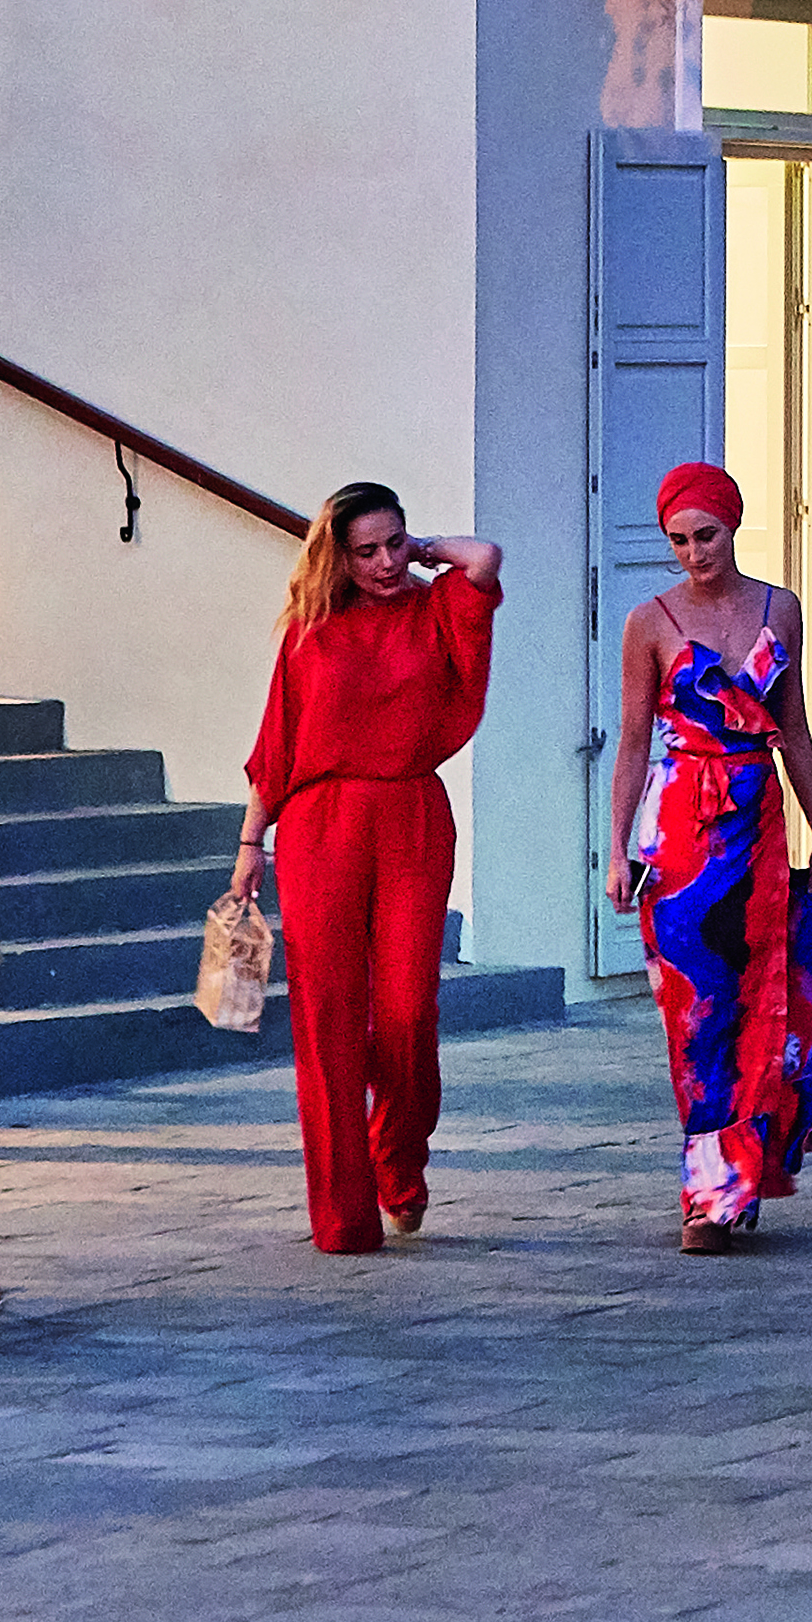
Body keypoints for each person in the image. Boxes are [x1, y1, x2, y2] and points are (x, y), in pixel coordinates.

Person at [231, 483, 500, 1256]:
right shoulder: (309, 629)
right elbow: (277, 744)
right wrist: (250, 845)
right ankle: (344, 1214)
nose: (385, 562)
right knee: (328, 1021)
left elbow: (484, 559)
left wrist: (426, 552)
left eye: (394, 543)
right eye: (366, 551)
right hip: (319, 828)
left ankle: (398, 1157)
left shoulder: (437, 608)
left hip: (411, 816)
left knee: (409, 1011)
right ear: (337, 557)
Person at [604, 461, 812, 1256]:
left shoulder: (782, 608)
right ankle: (708, 1192)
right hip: (678, 836)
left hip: (759, 823)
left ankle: (737, 1179)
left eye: (704, 534)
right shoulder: (648, 621)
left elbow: (794, 727)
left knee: (768, 999)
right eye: (678, 539)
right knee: (699, 1012)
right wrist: (615, 851)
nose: (693, 552)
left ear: (732, 525)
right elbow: (632, 742)